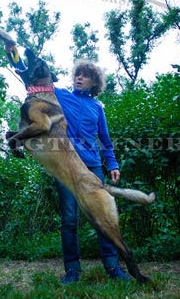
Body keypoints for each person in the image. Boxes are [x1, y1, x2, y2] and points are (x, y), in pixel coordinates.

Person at [53, 60, 131, 283]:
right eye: (78, 74)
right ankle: (72, 270)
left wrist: (113, 164)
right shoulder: (63, 96)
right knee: (69, 218)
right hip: (66, 166)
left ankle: (113, 267)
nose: (79, 78)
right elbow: (36, 82)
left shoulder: (97, 108)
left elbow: (105, 140)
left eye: (85, 75)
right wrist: (15, 55)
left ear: (94, 82)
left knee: (102, 217)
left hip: (93, 167)